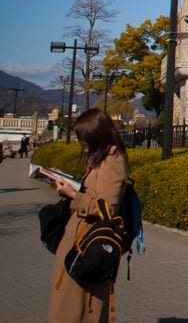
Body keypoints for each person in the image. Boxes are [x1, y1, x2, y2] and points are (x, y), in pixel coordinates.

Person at [48, 108, 128, 323]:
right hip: (78, 237)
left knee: (80, 308)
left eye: (84, 138)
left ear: (96, 134)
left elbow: (107, 207)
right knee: (67, 304)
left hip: (90, 243)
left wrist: (73, 194)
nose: (81, 144)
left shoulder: (112, 159)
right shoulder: (99, 157)